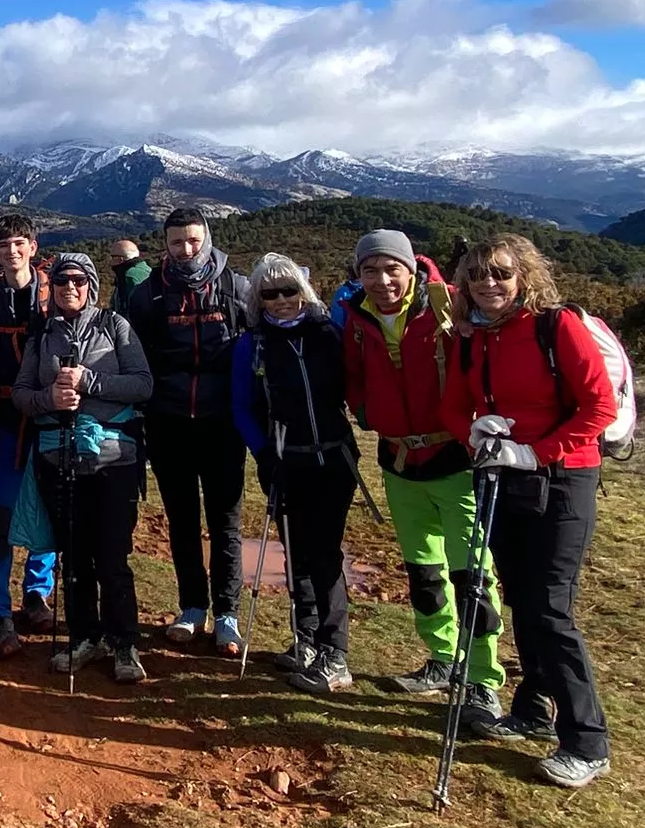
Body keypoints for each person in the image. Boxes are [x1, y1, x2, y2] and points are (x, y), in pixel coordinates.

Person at [443, 234, 618, 789]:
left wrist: (535, 452)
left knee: (549, 605)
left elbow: (599, 407)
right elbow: (453, 404)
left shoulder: (556, 326)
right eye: (477, 276)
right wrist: (474, 434)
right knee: (520, 594)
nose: (488, 285)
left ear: (524, 278)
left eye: (500, 274)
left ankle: (587, 742)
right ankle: (533, 708)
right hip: (503, 476)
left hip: (564, 479)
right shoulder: (474, 339)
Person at [341, 230, 503, 725]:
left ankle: (482, 679)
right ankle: (442, 659)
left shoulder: (447, 308)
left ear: (411, 269)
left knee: (471, 572)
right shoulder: (356, 319)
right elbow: (353, 378)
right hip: (399, 460)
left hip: (456, 457)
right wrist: (365, 412)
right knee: (423, 570)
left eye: (392, 268)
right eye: (371, 270)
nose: (383, 279)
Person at [12, 252, 154, 684]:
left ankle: (123, 643)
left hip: (114, 458)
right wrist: (48, 400)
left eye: (77, 280)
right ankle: (84, 637)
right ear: (51, 288)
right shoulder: (41, 336)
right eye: (60, 282)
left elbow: (143, 384)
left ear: (91, 285)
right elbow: (21, 392)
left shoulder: (115, 326)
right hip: (58, 455)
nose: (68, 287)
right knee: (72, 556)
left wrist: (92, 383)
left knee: (112, 553)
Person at [126, 205, 252, 657]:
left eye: (194, 240)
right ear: (166, 244)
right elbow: (134, 357)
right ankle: (192, 607)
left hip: (222, 425)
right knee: (181, 520)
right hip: (169, 422)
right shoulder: (149, 295)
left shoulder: (235, 287)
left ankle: (228, 615)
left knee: (225, 522)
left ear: (208, 239)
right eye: (178, 241)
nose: (187, 249)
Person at [231, 255, 360, 694]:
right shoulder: (254, 345)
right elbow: (241, 406)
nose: (282, 301)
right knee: (296, 553)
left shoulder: (328, 335)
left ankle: (334, 652)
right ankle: (305, 640)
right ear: (258, 300)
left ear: (303, 292)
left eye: (289, 291)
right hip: (285, 461)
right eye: (270, 294)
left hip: (334, 459)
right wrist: (264, 454)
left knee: (324, 553)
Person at [0, 213, 58, 654]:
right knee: (0, 517)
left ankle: (37, 592)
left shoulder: (56, 294)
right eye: (4, 244)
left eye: (20, 243)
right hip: (3, 423)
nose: (12, 251)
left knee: (49, 508)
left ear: (33, 247)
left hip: (49, 419)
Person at [108, 239, 152, 315]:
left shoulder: (129, 276)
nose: (110, 261)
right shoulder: (146, 269)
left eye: (112, 257)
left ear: (120, 259)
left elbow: (131, 308)